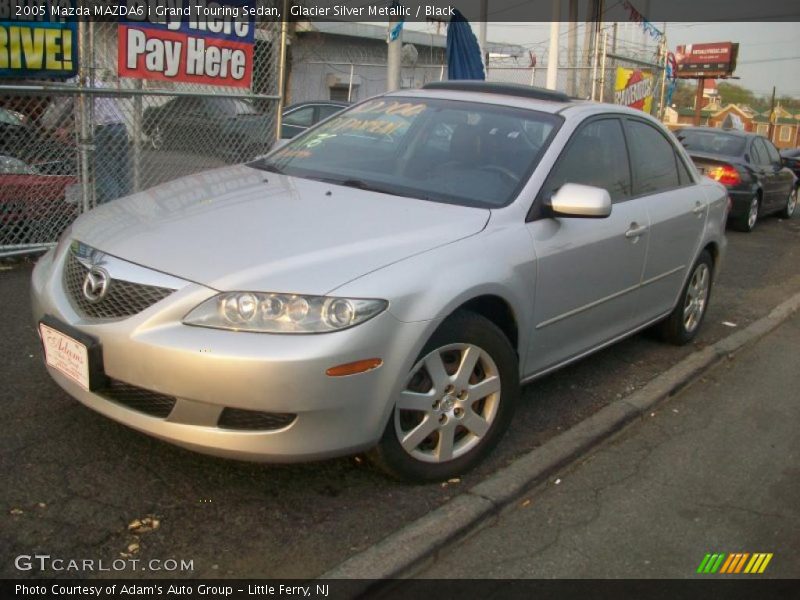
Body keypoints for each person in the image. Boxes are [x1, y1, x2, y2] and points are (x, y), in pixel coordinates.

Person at [41, 75, 131, 205]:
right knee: (120, 171)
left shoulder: (75, 86)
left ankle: (111, 209)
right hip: (120, 127)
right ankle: (124, 205)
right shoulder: (95, 82)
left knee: (105, 173)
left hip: (104, 130)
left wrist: (66, 130)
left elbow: (79, 116)